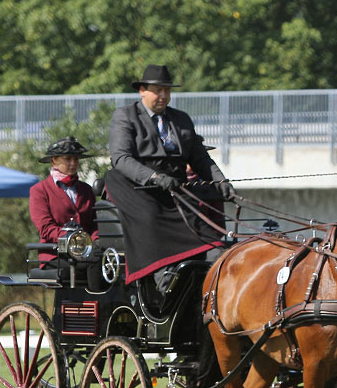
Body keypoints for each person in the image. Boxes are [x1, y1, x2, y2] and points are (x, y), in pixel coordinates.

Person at [104, 63, 234, 296]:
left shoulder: (182, 119)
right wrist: (153, 177)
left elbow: (201, 159)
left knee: (210, 238)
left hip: (175, 186)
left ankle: (213, 278)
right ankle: (165, 276)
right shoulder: (125, 116)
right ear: (142, 90)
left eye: (167, 91)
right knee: (151, 217)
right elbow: (121, 158)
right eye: (157, 90)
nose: (163, 96)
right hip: (136, 187)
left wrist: (221, 182)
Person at [29, 136, 98, 267]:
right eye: (67, 159)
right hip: (55, 254)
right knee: (88, 267)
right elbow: (45, 228)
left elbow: (95, 223)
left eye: (76, 159)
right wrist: (71, 238)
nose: (73, 163)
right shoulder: (39, 190)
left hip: (87, 252)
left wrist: (95, 241)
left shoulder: (87, 190)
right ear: (54, 160)